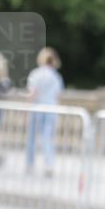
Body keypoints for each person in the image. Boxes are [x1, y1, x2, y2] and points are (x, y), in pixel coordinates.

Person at [26, 47, 63, 177]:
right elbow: (58, 96)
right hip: (51, 109)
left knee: (31, 138)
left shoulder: (35, 74)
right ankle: (49, 164)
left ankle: (30, 164)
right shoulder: (56, 76)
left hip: (37, 108)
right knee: (48, 138)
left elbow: (32, 94)